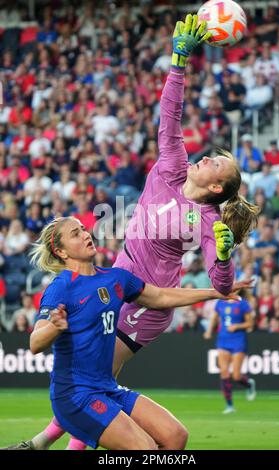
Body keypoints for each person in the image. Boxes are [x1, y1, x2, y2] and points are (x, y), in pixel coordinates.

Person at [4, 14, 258, 450]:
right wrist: (179, 60)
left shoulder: (211, 223)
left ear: (217, 187)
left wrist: (226, 253)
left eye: (218, 163)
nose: (209, 157)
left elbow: (222, 282)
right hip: (119, 279)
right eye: (213, 155)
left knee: (98, 382)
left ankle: (46, 444)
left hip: (147, 301)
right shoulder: (171, 169)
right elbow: (170, 115)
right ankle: (44, 442)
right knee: (95, 380)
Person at [3, 216, 244, 451]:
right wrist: (54, 327)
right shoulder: (61, 287)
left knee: (176, 436)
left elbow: (161, 296)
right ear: (62, 252)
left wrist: (215, 292)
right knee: (144, 448)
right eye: (76, 234)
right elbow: (35, 343)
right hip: (75, 394)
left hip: (106, 388)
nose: (86, 235)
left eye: (84, 229)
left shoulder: (115, 278)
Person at [204, 290, 256, 414]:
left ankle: (249, 384)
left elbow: (250, 323)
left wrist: (237, 326)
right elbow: (214, 318)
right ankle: (229, 406)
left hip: (238, 340)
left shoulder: (243, 304)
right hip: (223, 340)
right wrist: (209, 331)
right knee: (224, 372)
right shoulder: (220, 303)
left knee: (236, 376)